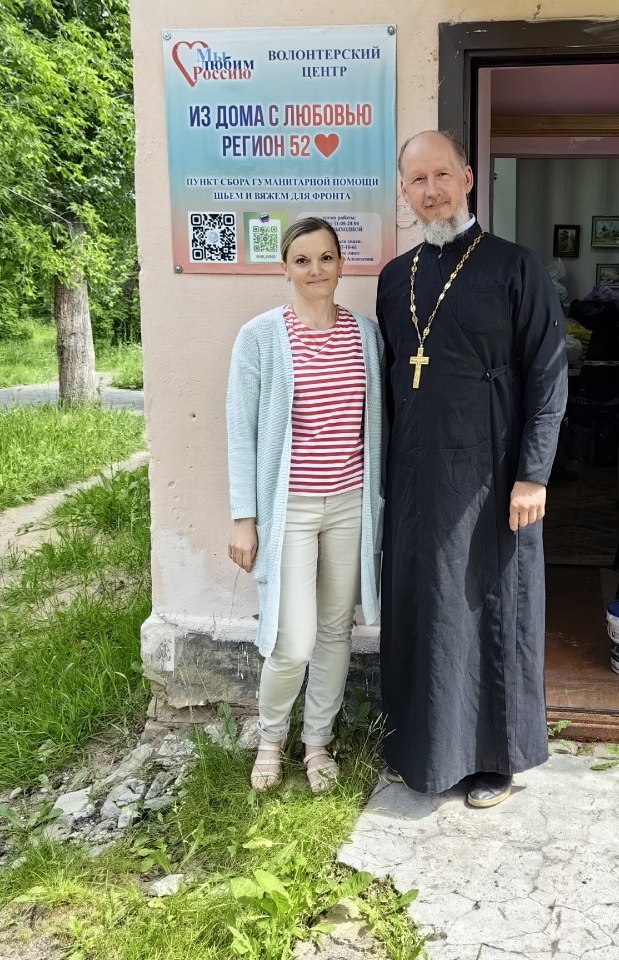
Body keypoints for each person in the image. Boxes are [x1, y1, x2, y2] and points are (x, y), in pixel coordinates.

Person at [376, 131, 567, 808]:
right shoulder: (394, 277)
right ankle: (421, 750)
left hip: (493, 474)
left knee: (489, 609)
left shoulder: (516, 267)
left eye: (441, 176)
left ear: (466, 178)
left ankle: (494, 758)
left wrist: (534, 474)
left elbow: (549, 375)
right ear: (405, 192)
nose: (430, 191)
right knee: (424, 608)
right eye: (417, 181)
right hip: (414, 476)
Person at [226, 216, 383, 794]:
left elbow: (378, 424)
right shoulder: (261, 337)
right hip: (288, 509)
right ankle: (271, 738)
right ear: (285, 268)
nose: (315, 270)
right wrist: (245, 517)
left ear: (342, 264)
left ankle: (318, 742)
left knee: (336, 630)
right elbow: (241, 430)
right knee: (292, 640)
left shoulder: (366, 335)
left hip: (350, 505)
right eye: (302, 260)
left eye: (326, 258)